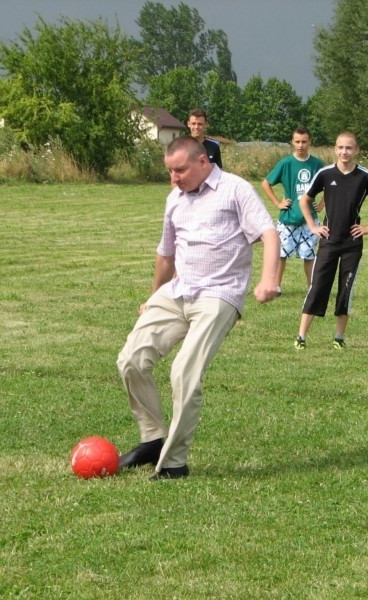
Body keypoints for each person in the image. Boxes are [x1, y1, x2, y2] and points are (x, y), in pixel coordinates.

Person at [116, 136, 280, 480]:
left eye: (180, 170)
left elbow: (268, 232)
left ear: (203, 162)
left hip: (219, 295)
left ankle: (174, 463)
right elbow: (166, 253)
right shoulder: (174, 199)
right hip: (178, 291)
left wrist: (268, 280)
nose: (174, 178)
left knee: (183, 373)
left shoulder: (234, 189)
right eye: (170, 172)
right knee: (131, 359)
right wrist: (154, 296)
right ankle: (153, 438)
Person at [294, 131, 368, 350]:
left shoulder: (364, 176)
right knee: (317, 286)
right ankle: (301, 337)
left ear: (356, 150)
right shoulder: (325, 173)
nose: (344, 152)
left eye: (349, 148)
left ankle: (338, 337)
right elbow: (305, 200)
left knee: (346, 289)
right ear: (335, 149)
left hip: (352, 243)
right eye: (340, 148)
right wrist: (313, 226)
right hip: (328, 241)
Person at [261, 126, 325, 293]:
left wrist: (322, 204)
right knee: (282, 254)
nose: (301, 145)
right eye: (297, 141)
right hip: (288, 218)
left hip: (309, 219)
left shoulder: (317, 164)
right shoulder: (286, 163)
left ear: (310, 141)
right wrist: (277, 203)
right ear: (292, 142)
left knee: (309, 254)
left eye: (304, 141)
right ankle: (276, 286)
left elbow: (331, 186)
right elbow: (266, 183)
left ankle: (312, 288)